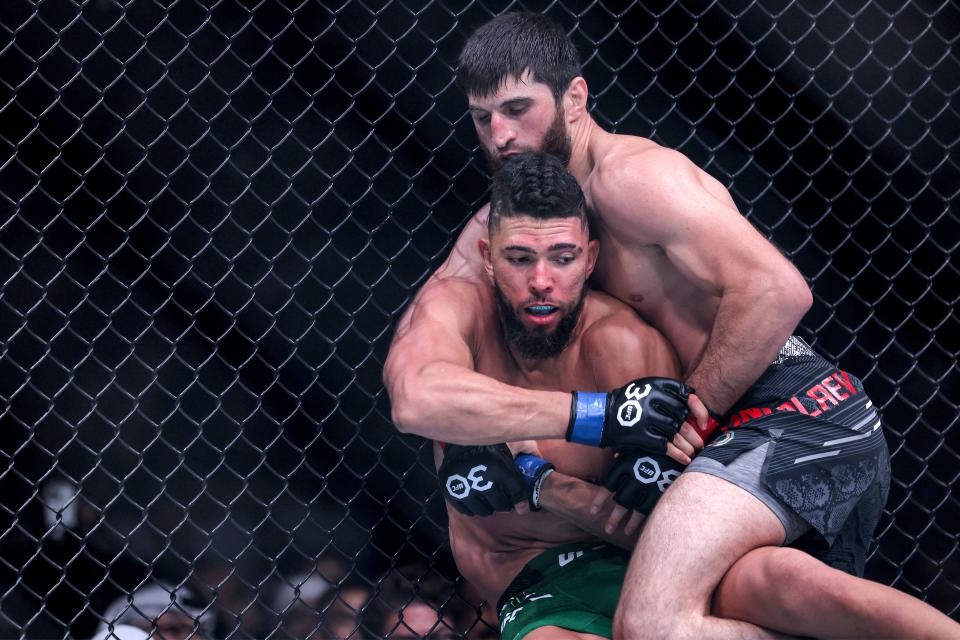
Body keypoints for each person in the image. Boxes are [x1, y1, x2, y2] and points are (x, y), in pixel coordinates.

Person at [384, 12, 960, 639]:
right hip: (744, 440)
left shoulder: (632, 179)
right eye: (481, 117)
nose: (499, 134)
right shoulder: (512, 227)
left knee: (652, 625)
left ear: (574, 98)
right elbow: (416, 351)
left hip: (791, 412)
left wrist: (692, 412)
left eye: (517, 108)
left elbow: (777, 290)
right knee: (759, 599)